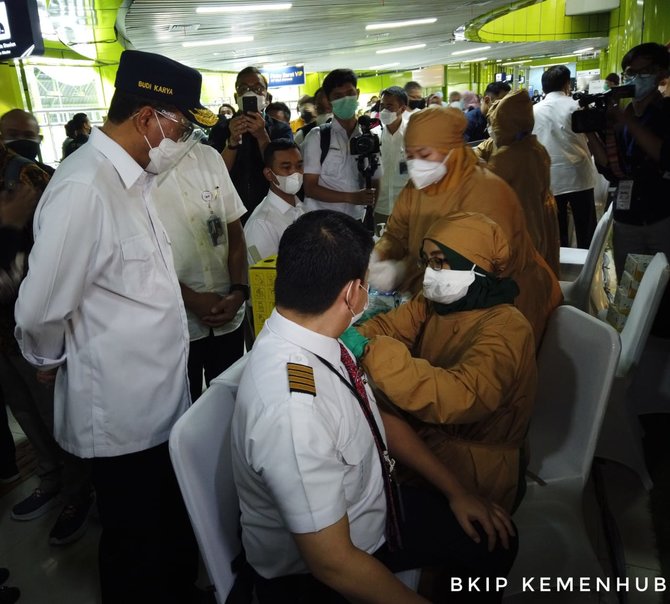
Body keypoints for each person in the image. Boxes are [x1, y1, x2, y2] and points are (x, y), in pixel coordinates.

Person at [14, 49, 219, 603]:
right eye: (183, 127)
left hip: (158, 398)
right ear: (149, 117)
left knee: (167, 526)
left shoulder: (134, 180)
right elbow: (39, 308)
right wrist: (45, 361)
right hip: (122, 412)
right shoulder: (86, 187)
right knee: (134, 543)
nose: (186, 142)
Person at [231, 209, 517, 604]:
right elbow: (333, 564)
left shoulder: (319, 338)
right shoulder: (293, 412)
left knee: (494, 541)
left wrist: (457, 491)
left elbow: (373, 418)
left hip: (373, 506)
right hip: (327, 568)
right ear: (352, 293)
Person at [351, 212, 537, 513]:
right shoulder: (436, 304)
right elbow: (389, 326)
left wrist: (371, 351)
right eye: (428, 261)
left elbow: (461, 395)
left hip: (476, 469)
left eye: (440, 261)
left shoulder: (507, 328)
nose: (430, 273)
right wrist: (359, 335)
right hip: (432, 447)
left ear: (475, 264)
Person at [371, 106, 562, 349]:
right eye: (409, 156)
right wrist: (378, 255)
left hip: (505, 305)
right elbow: (396, 233)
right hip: (446, 299)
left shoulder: (486, 192)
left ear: (451, 150)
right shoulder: (417, 188)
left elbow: (465, 272)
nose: (416, 164)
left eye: (424, 154)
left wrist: (402, 272)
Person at [0, 139, 94, 546]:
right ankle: (50, 477)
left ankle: (79, 493)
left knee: (56, 413)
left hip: (34, 326)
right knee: (23, 409)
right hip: (3, 331)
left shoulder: (28, 175)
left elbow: (56, 265)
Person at [153, 140, 248, 402]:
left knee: (230, 401)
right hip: (178, 322)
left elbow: (234, 231)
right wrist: (192, 299)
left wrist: (238, 291)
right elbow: (143, 257)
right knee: (184, 407)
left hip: (228, 313)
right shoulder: (143, 169)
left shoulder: (209, 157)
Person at [586, 42, 670, 336]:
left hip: (662, 214)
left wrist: (627, 121)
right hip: (627, 217)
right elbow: (611, 169)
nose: (635, 78)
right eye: (629, 72)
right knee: (631, 288)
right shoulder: (621, 119)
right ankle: (638, 349)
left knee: (664, 291)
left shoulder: (664, 112)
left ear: (661, 73)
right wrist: (592, 134)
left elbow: (663, 154)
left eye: (643, 71)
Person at [475, 90, 560, 277]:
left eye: (495, 123)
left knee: (521, 283)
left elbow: (483, 186)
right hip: (539, 221)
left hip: (520, 230)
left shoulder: (509, 156)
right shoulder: (534, 147)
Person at [207, 66, 293, 218]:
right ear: (236, 97)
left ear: (267, 97)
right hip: (231, 210)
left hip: (271, 208)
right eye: (244, 88)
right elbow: (213, 174)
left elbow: (285, 171)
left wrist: (262, 135)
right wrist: (232, 141)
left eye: (258, 88)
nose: (250, 92)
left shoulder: (281, 129)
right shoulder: (221, 129)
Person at [302, 68, 380, 220]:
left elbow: (377, 179)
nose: (345, 99)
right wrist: (351, 197)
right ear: (329, 100)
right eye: (338, 96)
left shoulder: (369, 137)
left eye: (350, 93)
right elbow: (310, 188)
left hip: (357, 220)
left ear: (357, 93)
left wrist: (369, 213)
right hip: (323, 222)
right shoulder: (317, 137)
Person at [532, 65, 597, 249]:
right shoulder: (576, 106)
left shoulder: (533, 111)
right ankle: (588, 265)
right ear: (567, 84)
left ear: (544, 87)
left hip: (551, 178)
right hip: (579, 176)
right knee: (586, 228)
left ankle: (560, 266)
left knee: (557, 231)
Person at [244, 139, 304, 264]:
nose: (295, 173)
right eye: (286, 167)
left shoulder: (301, 208)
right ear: (269, 174)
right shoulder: (261, 224)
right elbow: (266, 278)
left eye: (299, 166)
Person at [376, 86, 409, 224]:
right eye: (382, 105)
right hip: (380, 209)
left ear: (402, 109)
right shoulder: (374, 136)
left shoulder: (413, 134)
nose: (384, 110)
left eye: (389, 106)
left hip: (406, 210)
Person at [0, 110, 54, 176]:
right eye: (13, 135)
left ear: (39, 139)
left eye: (29, 135)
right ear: (1, 139)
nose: (21, 140)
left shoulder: (53, 176)